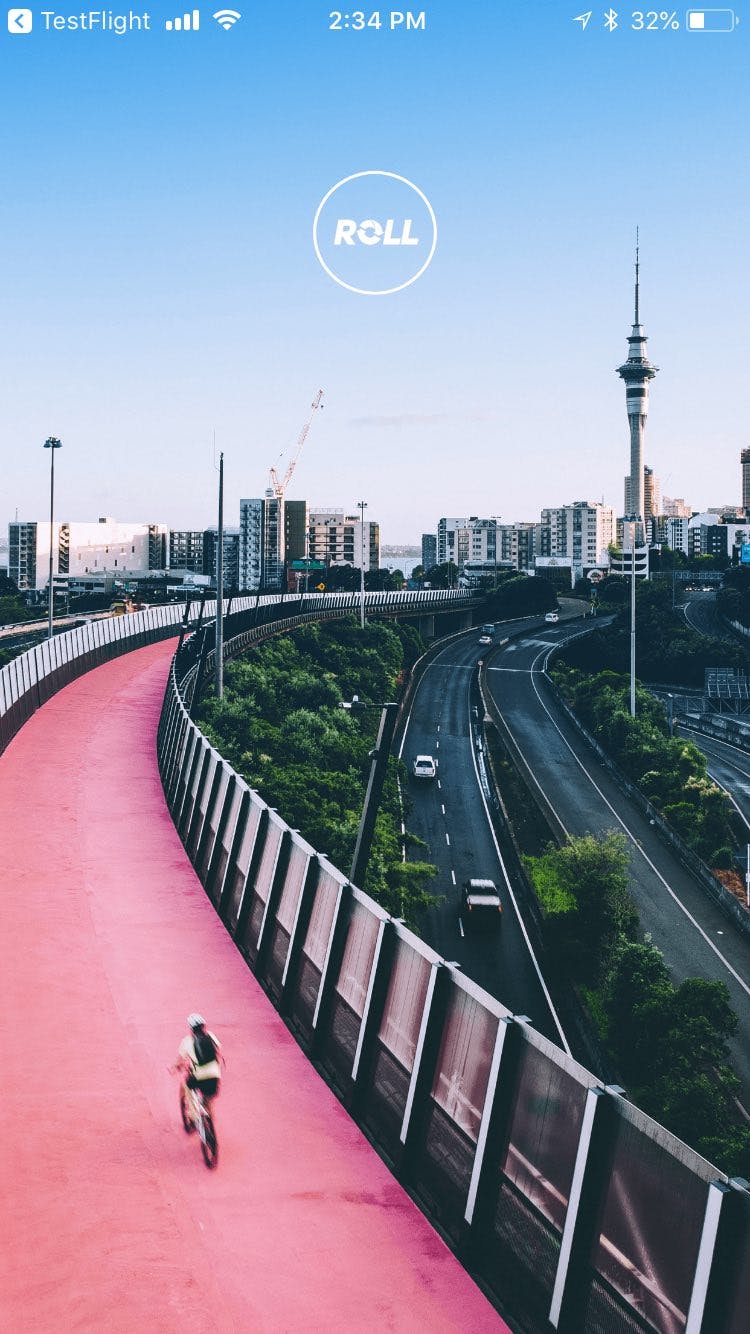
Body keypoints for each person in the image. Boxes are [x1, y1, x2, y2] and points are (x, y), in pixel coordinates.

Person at [175, 1013, 223, 1105]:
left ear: (191, 1028)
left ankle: (193, 1114)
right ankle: (209, 1115)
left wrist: (176, 1067)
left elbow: (180, 1060)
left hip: (199, 1076)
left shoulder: (187, 1040)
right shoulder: (210, 1035)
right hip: (215, 1074)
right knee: (208, 1098)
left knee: (187, 1086)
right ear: (203, 1026)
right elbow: (218, 1050)